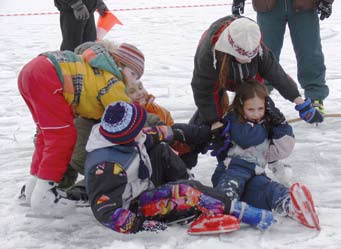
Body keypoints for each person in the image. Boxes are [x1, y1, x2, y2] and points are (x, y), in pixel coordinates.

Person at [84, 101, 276, 234]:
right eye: (138, 128)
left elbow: (161, 134)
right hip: (134, 207)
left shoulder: (125, 137)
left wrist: (205, 134)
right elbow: (106, 212)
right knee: (185, 191)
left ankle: (195, 196)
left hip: (143, 184)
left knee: (160, 150)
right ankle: (235, 210)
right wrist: (142, 225)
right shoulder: (107, 166)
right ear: (126, 136)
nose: (142, 130)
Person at [17, 41, 144, 217]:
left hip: (32, 71)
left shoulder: (96, 67)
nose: (134, 80)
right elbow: (123, 114)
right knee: (62, 137)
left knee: (45, 135)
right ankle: (45, 197)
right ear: (120, 64)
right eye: (133, 74)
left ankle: (33, 189)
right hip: (48, 75)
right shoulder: (113, 80)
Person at [210, 79, 320, 230]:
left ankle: (290, 205)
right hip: (231, 171)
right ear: (240, 106)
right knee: (233, 183)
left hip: (255, 174)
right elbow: (246, 138)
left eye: (260, 109)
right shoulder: (233, 120)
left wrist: (280, 124)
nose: (256, 114)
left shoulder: (265, 124)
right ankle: (219, 209)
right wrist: (268, 126)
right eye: (251, 109)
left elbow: (282, 149)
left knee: (268, 189)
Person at [190, 16, 323, 129]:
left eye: (250, 56)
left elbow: (277, 74)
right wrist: (214, 122)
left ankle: (265, 145)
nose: (246, 60)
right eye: (241, 56)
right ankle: (185, 151)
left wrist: (301, 103)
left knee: (257, 106)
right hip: (217, 79)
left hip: (250, 78)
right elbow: (203, 90)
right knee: (208, 121)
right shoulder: (208, 54)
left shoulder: (255, 45)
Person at [232, 0, 334, 114]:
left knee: (309, 52)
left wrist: (326, 1)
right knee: (263, 55)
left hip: (305, 6)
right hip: (268, 7)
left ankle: (315, 97)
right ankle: (259, 97)